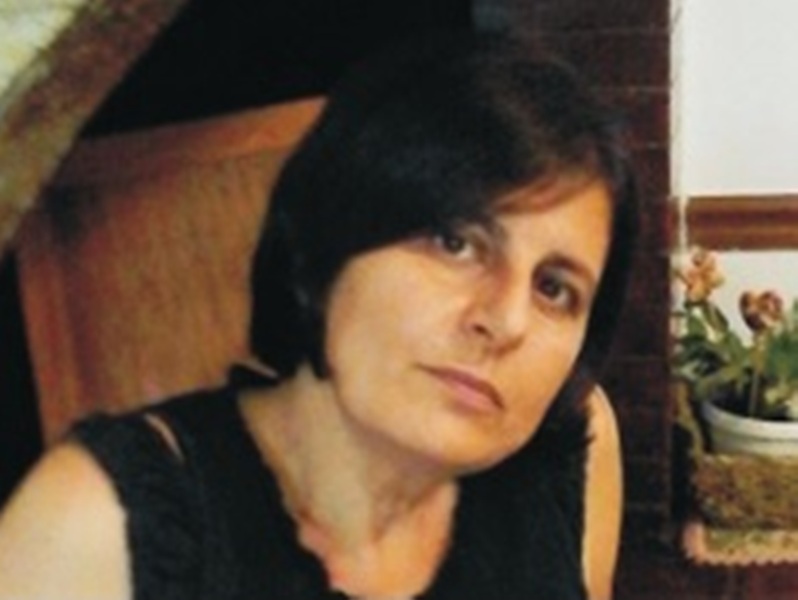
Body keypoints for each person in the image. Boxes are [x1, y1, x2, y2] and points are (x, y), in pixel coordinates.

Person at [0, 30, 639, 600]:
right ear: (329, 236)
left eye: (554, 289)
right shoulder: (96, 525)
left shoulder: (568, 455)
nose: (506, 320)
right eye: (455, 242)